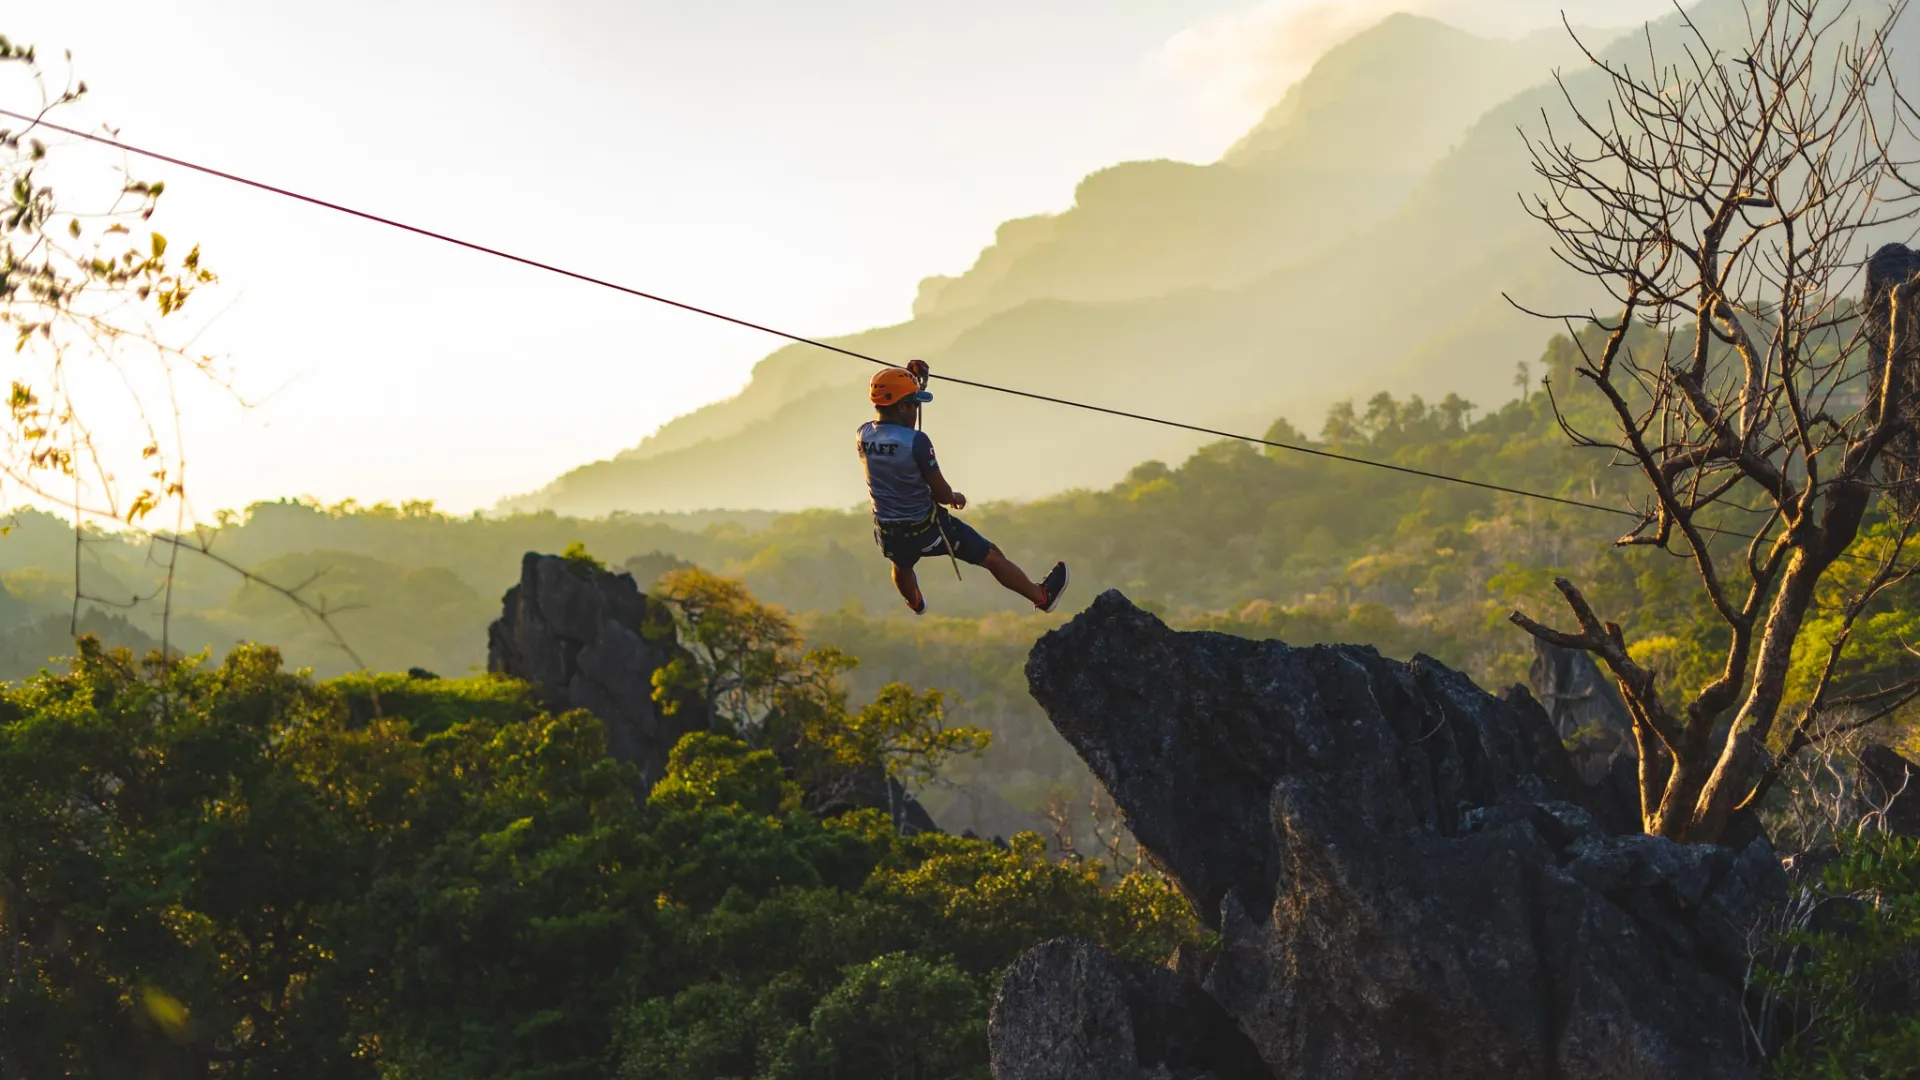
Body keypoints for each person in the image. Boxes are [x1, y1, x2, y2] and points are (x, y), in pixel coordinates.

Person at [857, 364, 1068, 615]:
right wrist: (956, 497)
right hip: (927, 529)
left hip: (889, 529)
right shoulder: (917, 442)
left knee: (901, 565)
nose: (916, 409)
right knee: (992, 556)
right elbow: (942, 494)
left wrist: (912, 381)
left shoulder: (863, 435)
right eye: (914, 404)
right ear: (902, 407)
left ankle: (915, 602)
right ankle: (1042, 597)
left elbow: (892, 420)